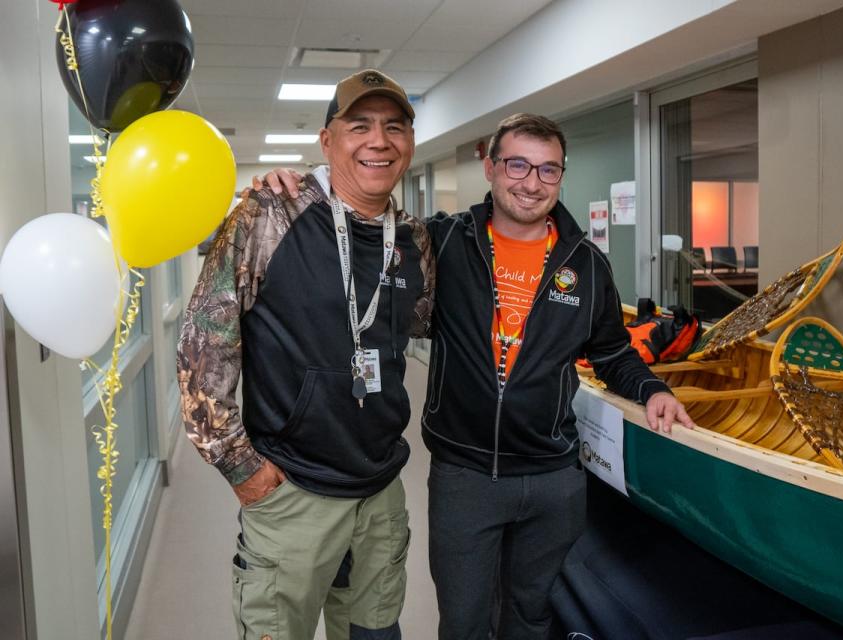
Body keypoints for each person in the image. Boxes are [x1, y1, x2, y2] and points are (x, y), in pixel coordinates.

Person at [256, 113, 693, 640]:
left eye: (548, 170)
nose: (531, 182)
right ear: (490, 167)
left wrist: (651, 388)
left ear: (560, 177)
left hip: (552, 478)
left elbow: (611, 352)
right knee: (463, 623)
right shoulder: (439, 242)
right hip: (466, 477)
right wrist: (300, 188)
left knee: (530, 617)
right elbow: (360, 228)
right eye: (517, 164)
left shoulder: (588, 263)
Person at [177, 69, 434, 640]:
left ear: (409, 144)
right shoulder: (268, 215)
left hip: (379, 492)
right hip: (291, 491)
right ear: (327, 140)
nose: (379, 140)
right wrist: (243, 471)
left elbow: (414, 324)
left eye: (395, 127)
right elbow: (200, 351)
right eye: (359, 125)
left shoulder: (413, 239)